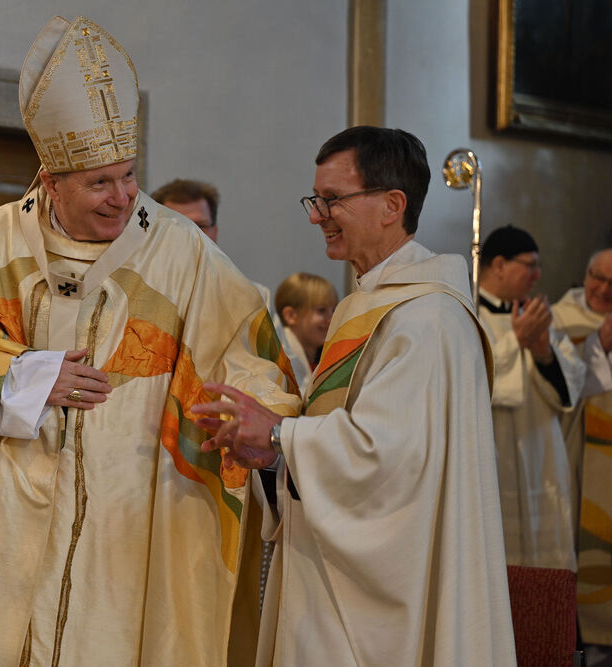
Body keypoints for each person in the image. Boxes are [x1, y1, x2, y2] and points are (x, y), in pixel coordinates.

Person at [0, 15, 299, 666]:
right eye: (99, 183)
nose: (122, 198)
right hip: (14, 521)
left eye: (128, 175)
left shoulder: (183, 251)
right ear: (51, 180)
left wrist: (261, 421)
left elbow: (248, 349)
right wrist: (30, 378)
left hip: (136, 523)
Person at [192, 126, 515, 666]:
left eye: (333, 199)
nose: (317, 215)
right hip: (327, 577)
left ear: (392, 205)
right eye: (316, 199)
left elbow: (388, 460)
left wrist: (279, 435)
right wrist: (271, 457)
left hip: (381, 607)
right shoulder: (363, 306)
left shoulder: (429, 318)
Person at [477, 225, 585, 572]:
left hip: (543, 463)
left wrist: (543, 353)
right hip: (496, 462)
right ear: (499, 265)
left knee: (543, 577)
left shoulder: (537, 319)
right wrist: (515, 343)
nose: (538, 275)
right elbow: (469, 383)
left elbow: (571, 387)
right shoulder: (466, 314)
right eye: (530, 265)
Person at [551, 248, 612, 658]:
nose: (603, 289)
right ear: (585, 275)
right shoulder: (560, 321)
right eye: (597, 278)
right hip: (575, 464)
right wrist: (597, 345)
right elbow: (553, 391)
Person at [152, 178, 278, 322]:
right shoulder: (137, 295)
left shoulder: (253, 298)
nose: (193, 235)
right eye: (179, 226)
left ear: (215, 232)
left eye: (201, 226)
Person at [272, 272, 337, 389]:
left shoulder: (326, 360)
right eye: (321, 310)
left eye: (334, 310)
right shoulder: (278, 362)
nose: (332, 319)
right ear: (291, 315)